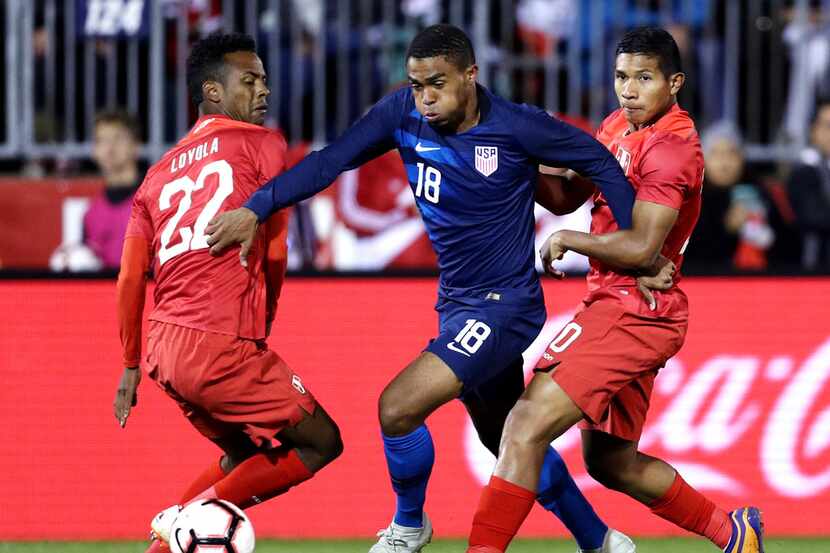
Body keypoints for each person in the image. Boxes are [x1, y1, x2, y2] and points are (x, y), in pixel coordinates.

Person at [205, 23, 673, 553]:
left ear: (469, 76)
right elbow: (329, 163)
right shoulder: (400, 114)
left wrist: (640, 250)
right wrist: (255, 207)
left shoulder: (517, 126)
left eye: (436, 84)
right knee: (507, 440)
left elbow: (600, 161)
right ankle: (601, 541)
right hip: (456, 305)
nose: (424, 98)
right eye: (416, 84)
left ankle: (409, 526)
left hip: (507, 306)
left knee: (398, 407)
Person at [463, 27, 764, 553]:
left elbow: (646, 248)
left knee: (526, 422)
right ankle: (733, 535)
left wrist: (571, 240)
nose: (628, 89)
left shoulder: (672, 148)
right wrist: (515, 157)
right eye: (622, 76)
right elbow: (565, 195)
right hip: (622, 304)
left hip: (635, 311)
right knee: (610, 462)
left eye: (643, 78)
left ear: (674, 83)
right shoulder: (618, 127)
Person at [113, 32, 343, 553]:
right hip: (219, 342)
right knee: (321, 442)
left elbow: (130, 278)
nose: (263, 89)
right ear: (213, 92)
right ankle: (178, 524)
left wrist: (129, 366)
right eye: (250, 80)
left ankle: (169, 533)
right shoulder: (263, 143)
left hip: (162, 349)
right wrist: (266, 318)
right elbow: (277, 245)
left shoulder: (153, 176)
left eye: (264, 79)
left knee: (244, 460)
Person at [85, 109, 145, 269]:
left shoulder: (155, 202)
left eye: (118, 139)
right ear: (94, 151)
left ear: (136, 146)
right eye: (101, 141)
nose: (109, 148)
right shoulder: (91, 212)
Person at [787, 98, 830, 269]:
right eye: (827, 126)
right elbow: (811, 216)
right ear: (814, 131)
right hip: (813, 268)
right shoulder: (803, 170)